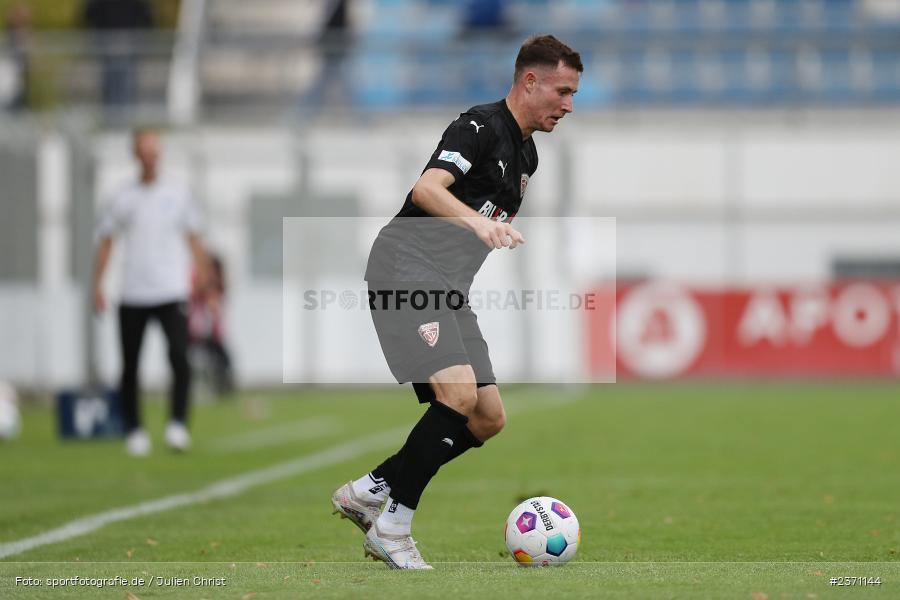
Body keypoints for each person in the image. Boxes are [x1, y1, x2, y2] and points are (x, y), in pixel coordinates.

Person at [330, 35, 582, 569]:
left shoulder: (527, 154)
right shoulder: (479, 126)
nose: (568, 105)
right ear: (529, 80)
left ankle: (372, 488)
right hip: (405, 267)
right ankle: (392, 527)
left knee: (488, 416)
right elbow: (426, 189)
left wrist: (483, 233)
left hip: (446, 286)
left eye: (573, 94)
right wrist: (477, 223)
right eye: (562, 91)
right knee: (459, 395)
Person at [93, 128, 208, 456]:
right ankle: (134, 429)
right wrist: (98, 284)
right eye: (144, 151)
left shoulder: (178, 192)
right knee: (130, 364)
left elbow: (194, 237)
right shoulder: (121, 195)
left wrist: (202, 278)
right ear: (135, 155)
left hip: (171, 290)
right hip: (132, 292)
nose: (150, 158)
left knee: (179, 356)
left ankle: (177, 425)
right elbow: (106, 242)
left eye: (154, 151)